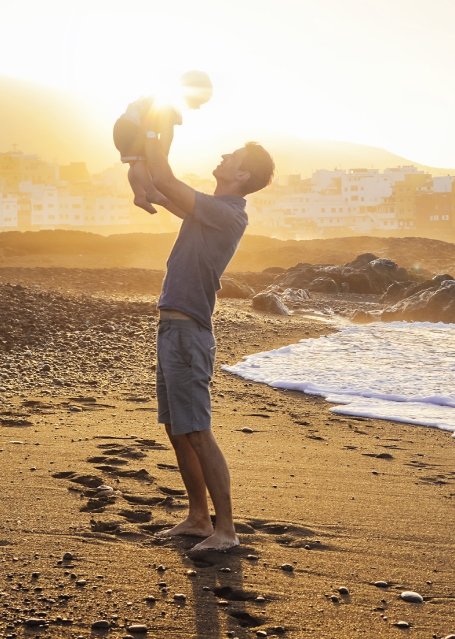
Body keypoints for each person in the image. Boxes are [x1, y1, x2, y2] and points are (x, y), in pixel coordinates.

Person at [143, 136, 275, 551]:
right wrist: (141, 163)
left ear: (242, 175)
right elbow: (159, 186)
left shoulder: (228, 213)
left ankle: (226, 531)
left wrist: (154, 133)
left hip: (188, 334)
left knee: (197, 431)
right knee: (177, 431)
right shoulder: (207, 211)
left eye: (231, 156)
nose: (222, 156)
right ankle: (199, 519)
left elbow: (164, 177)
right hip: (172, 329)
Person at [113, 70, 213, 214]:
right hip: (130, 129)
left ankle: (140, 195)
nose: (197, 107)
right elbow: (167, 132)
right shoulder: (170, 105)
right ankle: (150, 192)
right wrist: (163, 156)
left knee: (135, 163)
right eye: (198, 102)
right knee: (140, 163)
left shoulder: (163, 98)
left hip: (123, 128)